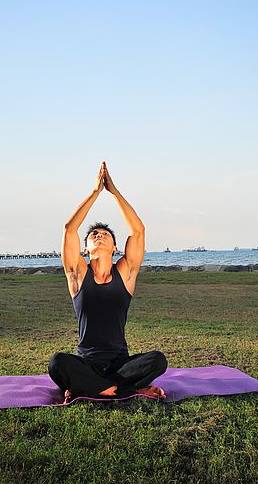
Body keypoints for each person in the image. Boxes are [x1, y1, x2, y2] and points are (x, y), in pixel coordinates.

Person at [48, 161, 168, 402]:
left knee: (158, 360)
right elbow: (69, 230)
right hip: (87, 362)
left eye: (105, 234)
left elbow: (138, 231)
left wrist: (113, 191)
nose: (99, 235)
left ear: (115, 247)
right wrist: (95, 193)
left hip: (120, 363)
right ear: (85, 248)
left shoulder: (125, 273)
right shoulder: (78, 274)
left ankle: (91, 388)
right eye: (94, 235)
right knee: (57, 362)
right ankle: (126, 389)